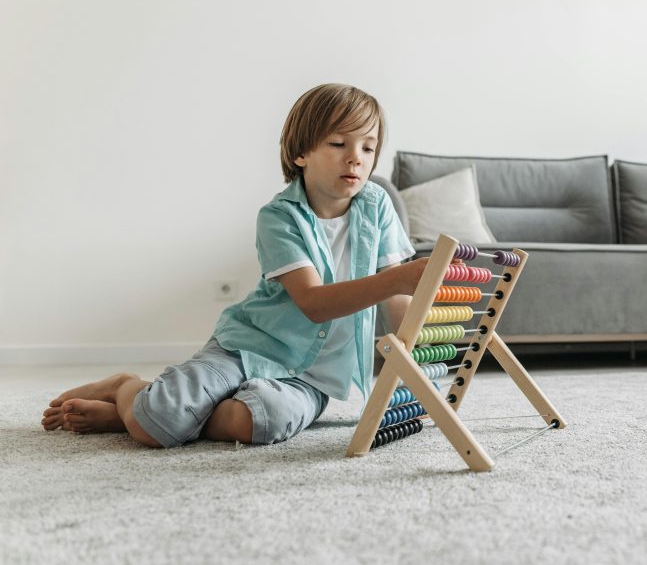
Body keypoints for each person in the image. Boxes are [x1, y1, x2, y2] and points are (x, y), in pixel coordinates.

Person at [41, 83, 429, 447]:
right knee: (152, 427)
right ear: (301, 154)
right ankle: (127, 388)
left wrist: (414, 371)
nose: (355, 158)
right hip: (245, 348)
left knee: (260, 420)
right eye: (339, 143)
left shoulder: (377, 206)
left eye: (368, 148)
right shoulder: (279, 217)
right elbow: (313, 303)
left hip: (312, 377)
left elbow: (396, 298)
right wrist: (399, 279)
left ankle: (147, 416)